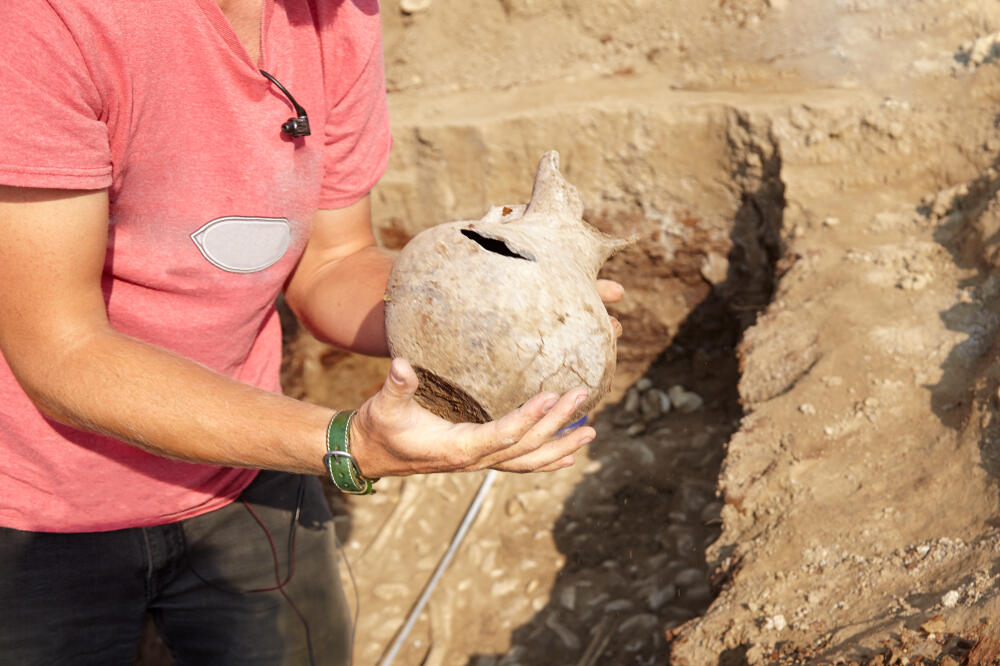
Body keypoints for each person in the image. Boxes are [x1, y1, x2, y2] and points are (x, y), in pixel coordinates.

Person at [0, 0, 623, 663]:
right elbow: (62, 352)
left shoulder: (335, 14)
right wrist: (342, 444)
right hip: (36, 511)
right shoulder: (50, 19)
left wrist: (488, 308)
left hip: (245, 463)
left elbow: (332, 262)